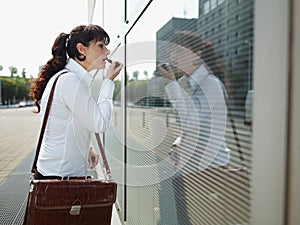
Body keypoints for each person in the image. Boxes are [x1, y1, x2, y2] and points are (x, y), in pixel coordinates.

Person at [29, 24, 123, 178]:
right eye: (100, 46)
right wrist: (109, 81)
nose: (107, 51)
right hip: (58, 179)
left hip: (56, 174)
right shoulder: (70, 81)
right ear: (82, 49)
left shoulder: (70, 79)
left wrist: (87, 148)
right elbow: (99, 123)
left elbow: (70, 122)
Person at [158, 31, 230, 224]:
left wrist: (171, 84)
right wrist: (179, 142)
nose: (173, 57)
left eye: (178, 52)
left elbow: (191, 119)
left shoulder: (211, 84)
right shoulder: (185, 84)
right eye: (172, 52)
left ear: (197, 54)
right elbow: (190, 128)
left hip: (209, 169)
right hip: (192, 167)